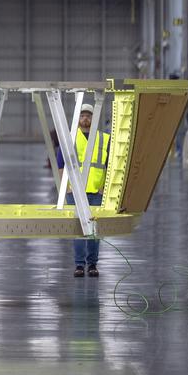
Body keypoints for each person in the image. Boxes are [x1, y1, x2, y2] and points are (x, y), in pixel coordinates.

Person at [70, 104, 110, 278]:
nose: (85, 118)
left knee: (93, 230)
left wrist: (104, 187)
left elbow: (110, 165)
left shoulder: (104, 139)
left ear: (94, 118)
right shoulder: (70, 137)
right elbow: (60, 163)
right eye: (82, 115)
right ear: (78, 119)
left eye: (88, 115)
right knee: (78, 230)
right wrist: (67, 187)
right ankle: (79, 265)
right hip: (75, 192)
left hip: (96, 191)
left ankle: (92, 265)